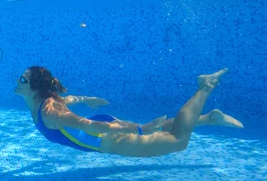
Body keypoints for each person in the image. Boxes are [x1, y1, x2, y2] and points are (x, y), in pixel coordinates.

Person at [15, 66, 243, 157]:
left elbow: (87, 124)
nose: (19, 80)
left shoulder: (49, 112)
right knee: (163, 129)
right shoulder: (42, 100)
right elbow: (69, 99)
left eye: (23, 79)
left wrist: (138, 129)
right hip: (102, 130)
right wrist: (88, 98)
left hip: (106, 137)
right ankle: (209, 118)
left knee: (177, 141)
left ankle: (206, 86)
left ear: (35, 87)